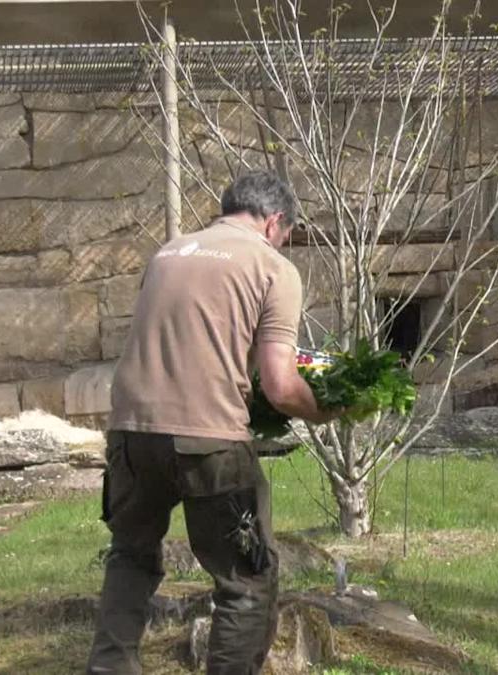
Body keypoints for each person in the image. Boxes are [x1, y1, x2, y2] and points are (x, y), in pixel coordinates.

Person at [87, 169, 341, 675]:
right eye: (287, 236)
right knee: (246, 580)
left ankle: (110, 668)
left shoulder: (168, 253)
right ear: (274, 223)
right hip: (209, 441)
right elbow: (282, 386)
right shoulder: (272, 267)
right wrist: (333, 410)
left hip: (130, 434)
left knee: (131, 557)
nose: (284, 244)